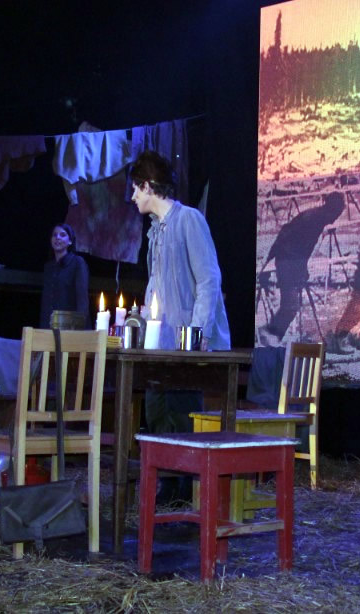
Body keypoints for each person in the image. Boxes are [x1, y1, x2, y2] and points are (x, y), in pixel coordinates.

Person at [130, 150, 231, 502]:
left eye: (136, 188)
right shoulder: (155, 231)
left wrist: (198, 331)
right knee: (156, 407)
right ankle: (168, 481)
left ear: (148, 186)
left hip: (186, 339)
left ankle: (185, 486)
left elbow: (208, 279)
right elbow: (157, 283)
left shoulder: (188, 220)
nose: (133, 196)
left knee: (182, 409)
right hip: (161, 339)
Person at [258, 191, 345, 345]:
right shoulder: (312, 219)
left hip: (291, 262)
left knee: (291, 306)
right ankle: (269, 336)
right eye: (337, 213)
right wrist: (270, 264)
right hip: (287, 261)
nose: (336, 218)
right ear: (333, 210)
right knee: (291, 306)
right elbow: (287, 239)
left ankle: (271, 336)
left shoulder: (317, 218)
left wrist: (302, 268)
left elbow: (301, 246)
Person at [39, 223, 89, 329]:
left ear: (70, 241)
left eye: (62, 235)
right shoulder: (48, 267)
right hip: (49, 326)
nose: (57, 237)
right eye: (54, 235)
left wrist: (79, 326)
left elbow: (82, 299)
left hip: (70, 326)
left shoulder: (77, 262)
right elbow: (46, 301)